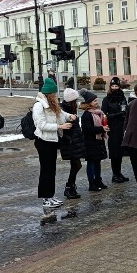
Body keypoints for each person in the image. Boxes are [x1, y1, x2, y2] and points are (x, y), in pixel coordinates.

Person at [32, 77, 75, 213]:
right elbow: (41, 125)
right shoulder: (39, 106)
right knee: (46, 170)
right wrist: (60, 126)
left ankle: (50, 196)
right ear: (49, 94)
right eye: (54, 94)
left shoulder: (52, 105)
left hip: (52, 141)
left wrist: (70, 117)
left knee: (52, 170)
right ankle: (46, 198)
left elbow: (61, 114)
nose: (56, 96)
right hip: (43, 141)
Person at [79, 91, 109, 191]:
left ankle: (98, 180)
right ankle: (92, 183)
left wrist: (104, 128)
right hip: (90, 142)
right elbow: (87, 130)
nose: (97, 102)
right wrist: (102, 129)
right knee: (91, 163)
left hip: (98, 141)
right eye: (94, 101)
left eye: (96, 100)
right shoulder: (86, 115)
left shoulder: (98, 112)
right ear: (89, 103)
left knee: (97, 162)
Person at [101, 77, 130, 183]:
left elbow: (125, 109)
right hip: (112, 128)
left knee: (120, 151)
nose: (114, 88)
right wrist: (117, 115)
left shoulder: (122, 98)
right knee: (114, 151)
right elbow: (104, 115)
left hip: (121, 127)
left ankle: (119, 172)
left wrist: (125, 113)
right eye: (112, 86)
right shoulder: (106, 99)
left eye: (116, 86)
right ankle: (115, 174)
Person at [59, 88, 86, 199]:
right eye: (75, 100)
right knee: (76, 165)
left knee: (76, 165)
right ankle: (69, 187)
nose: (76, 102)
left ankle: (71, 186)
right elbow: (61, 129)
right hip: (69, 142)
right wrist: (68, 139)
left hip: (74, 141)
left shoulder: (71, 108)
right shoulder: (64, 110)